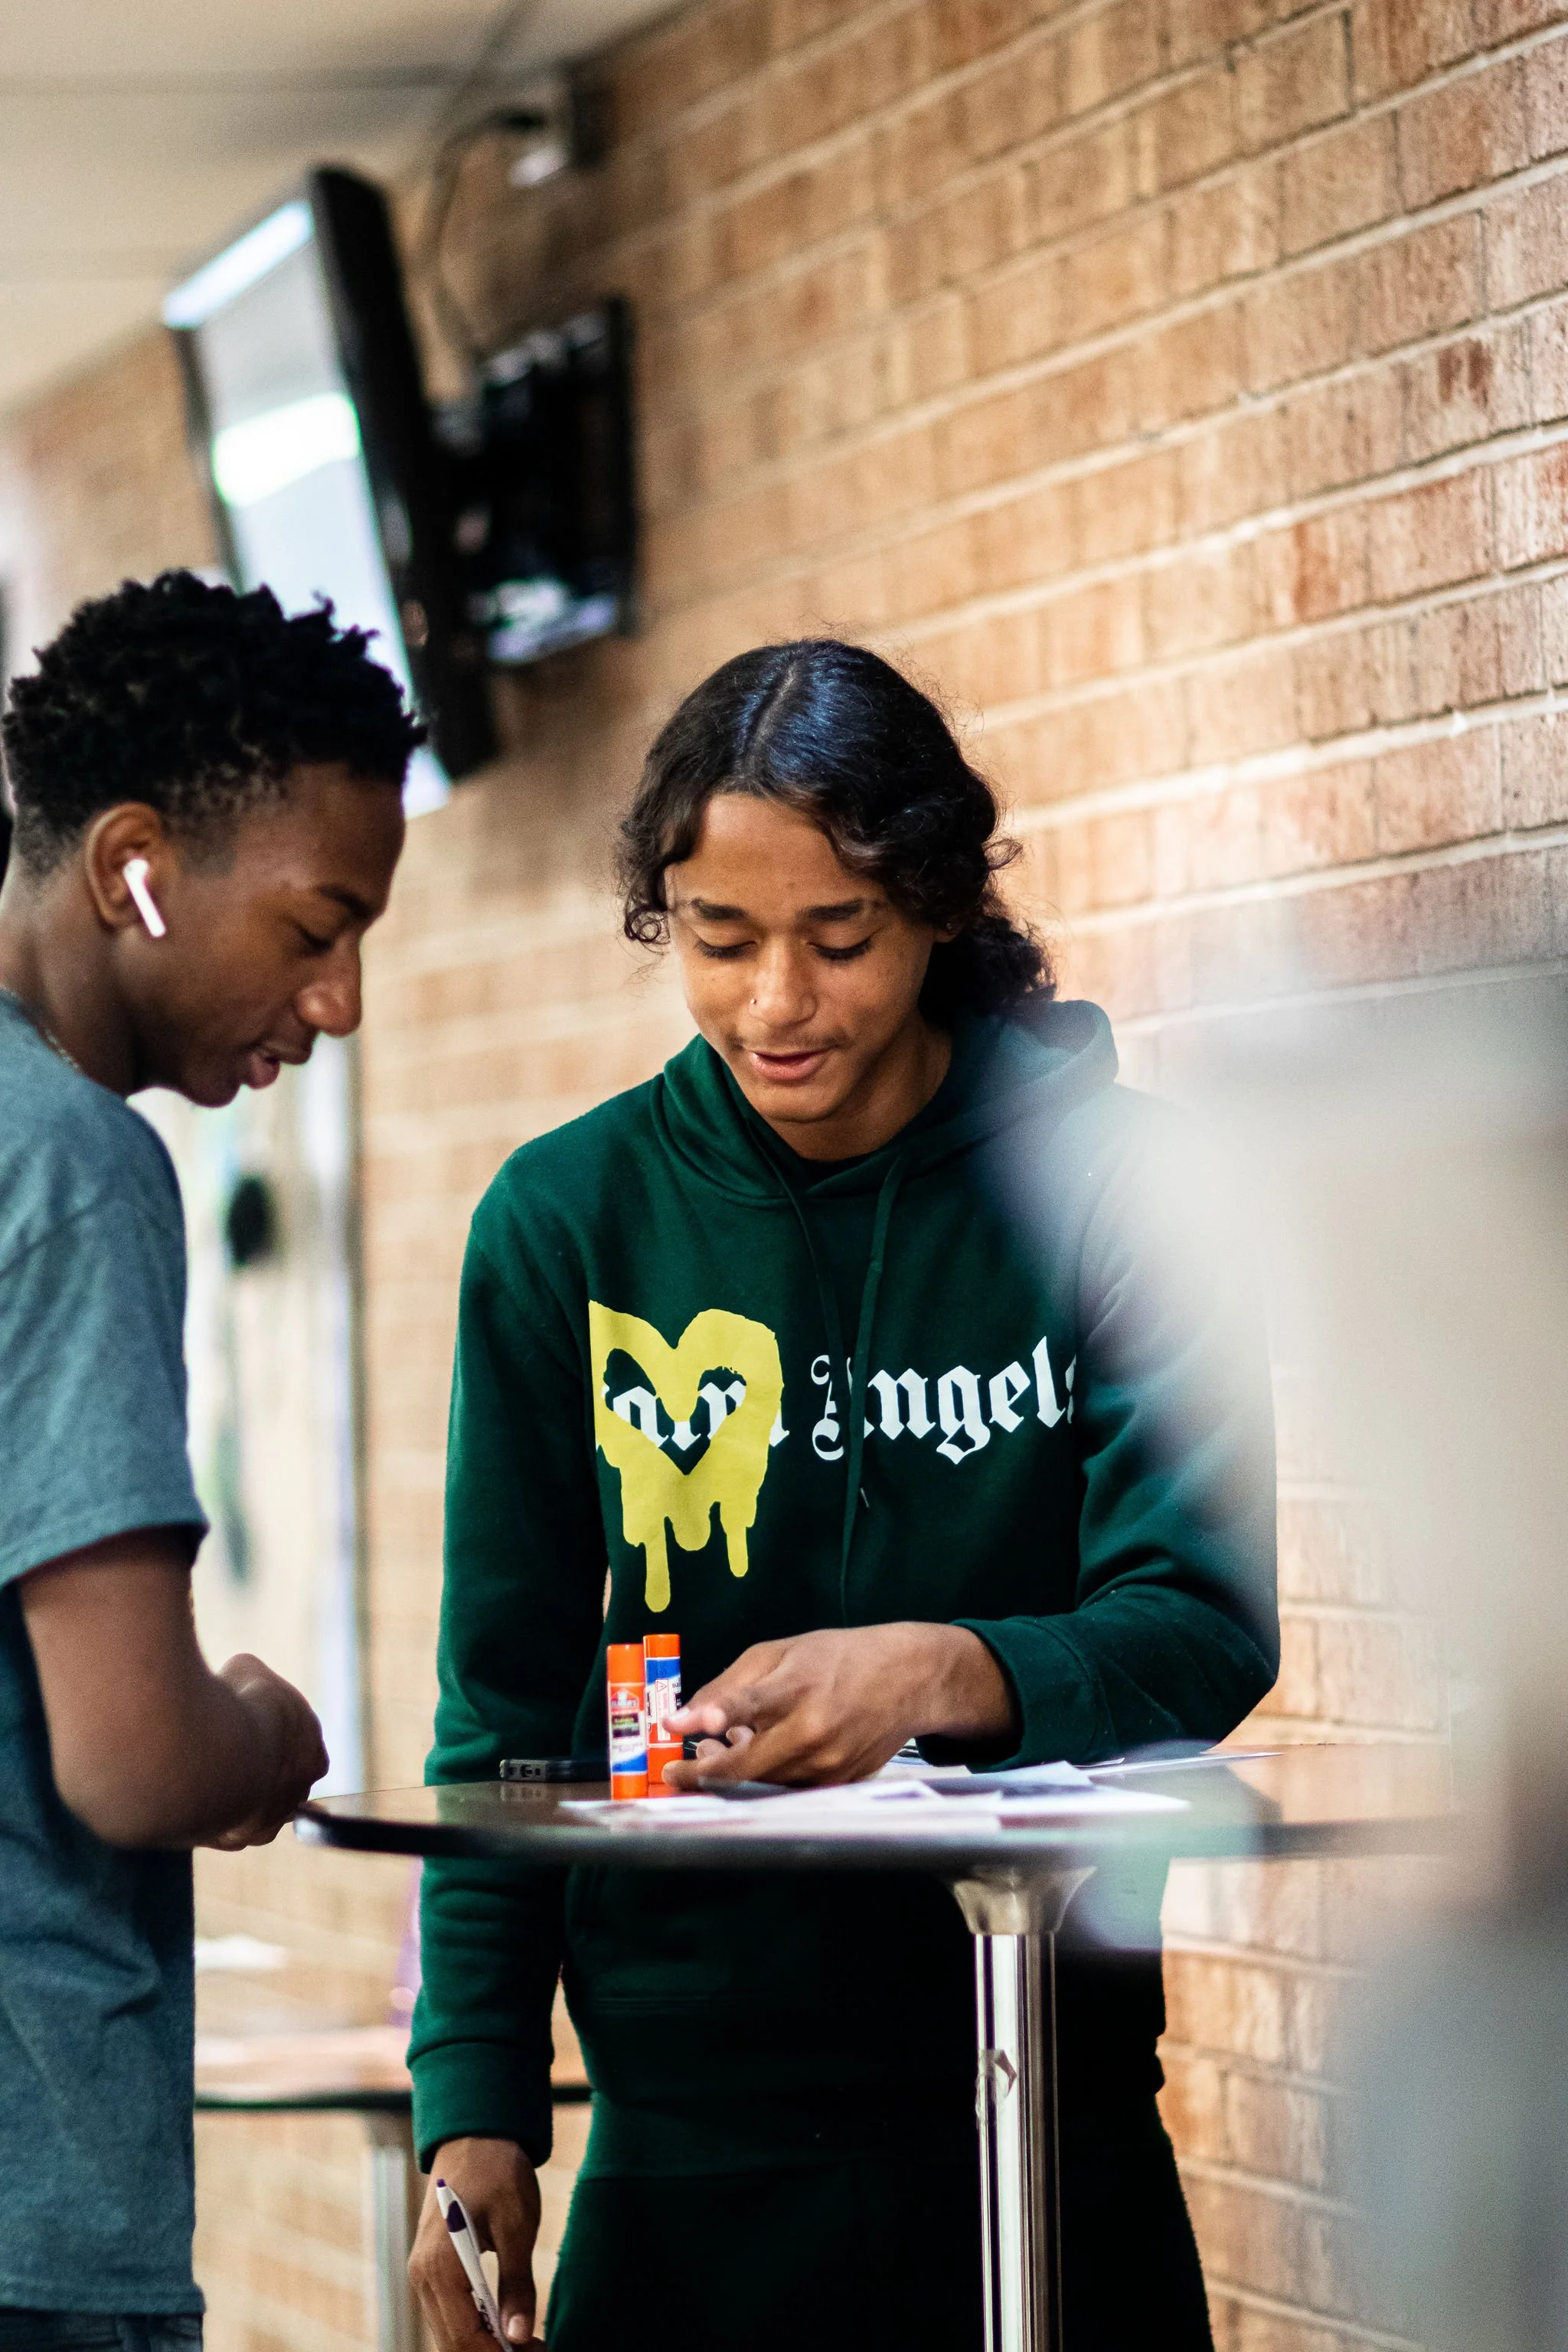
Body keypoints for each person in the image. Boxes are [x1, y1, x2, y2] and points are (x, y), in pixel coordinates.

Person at [408, 640, 1279, 2350]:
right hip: (689, 2128)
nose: (776, 1007)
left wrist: (941, 1671)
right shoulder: (563, 1221)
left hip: (1042, 2095)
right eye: (720, 942)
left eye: (839, 939)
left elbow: (1202, 1623)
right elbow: (502, 1712)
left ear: (941, 909)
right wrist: (479, 2094)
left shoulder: (1125, 1188)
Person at [0, 570, 420, 2350]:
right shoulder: (74, 1163)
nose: (335, 1004)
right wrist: (260, 1727)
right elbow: (130, 1761)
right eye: (316, 928)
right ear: (134, 868)